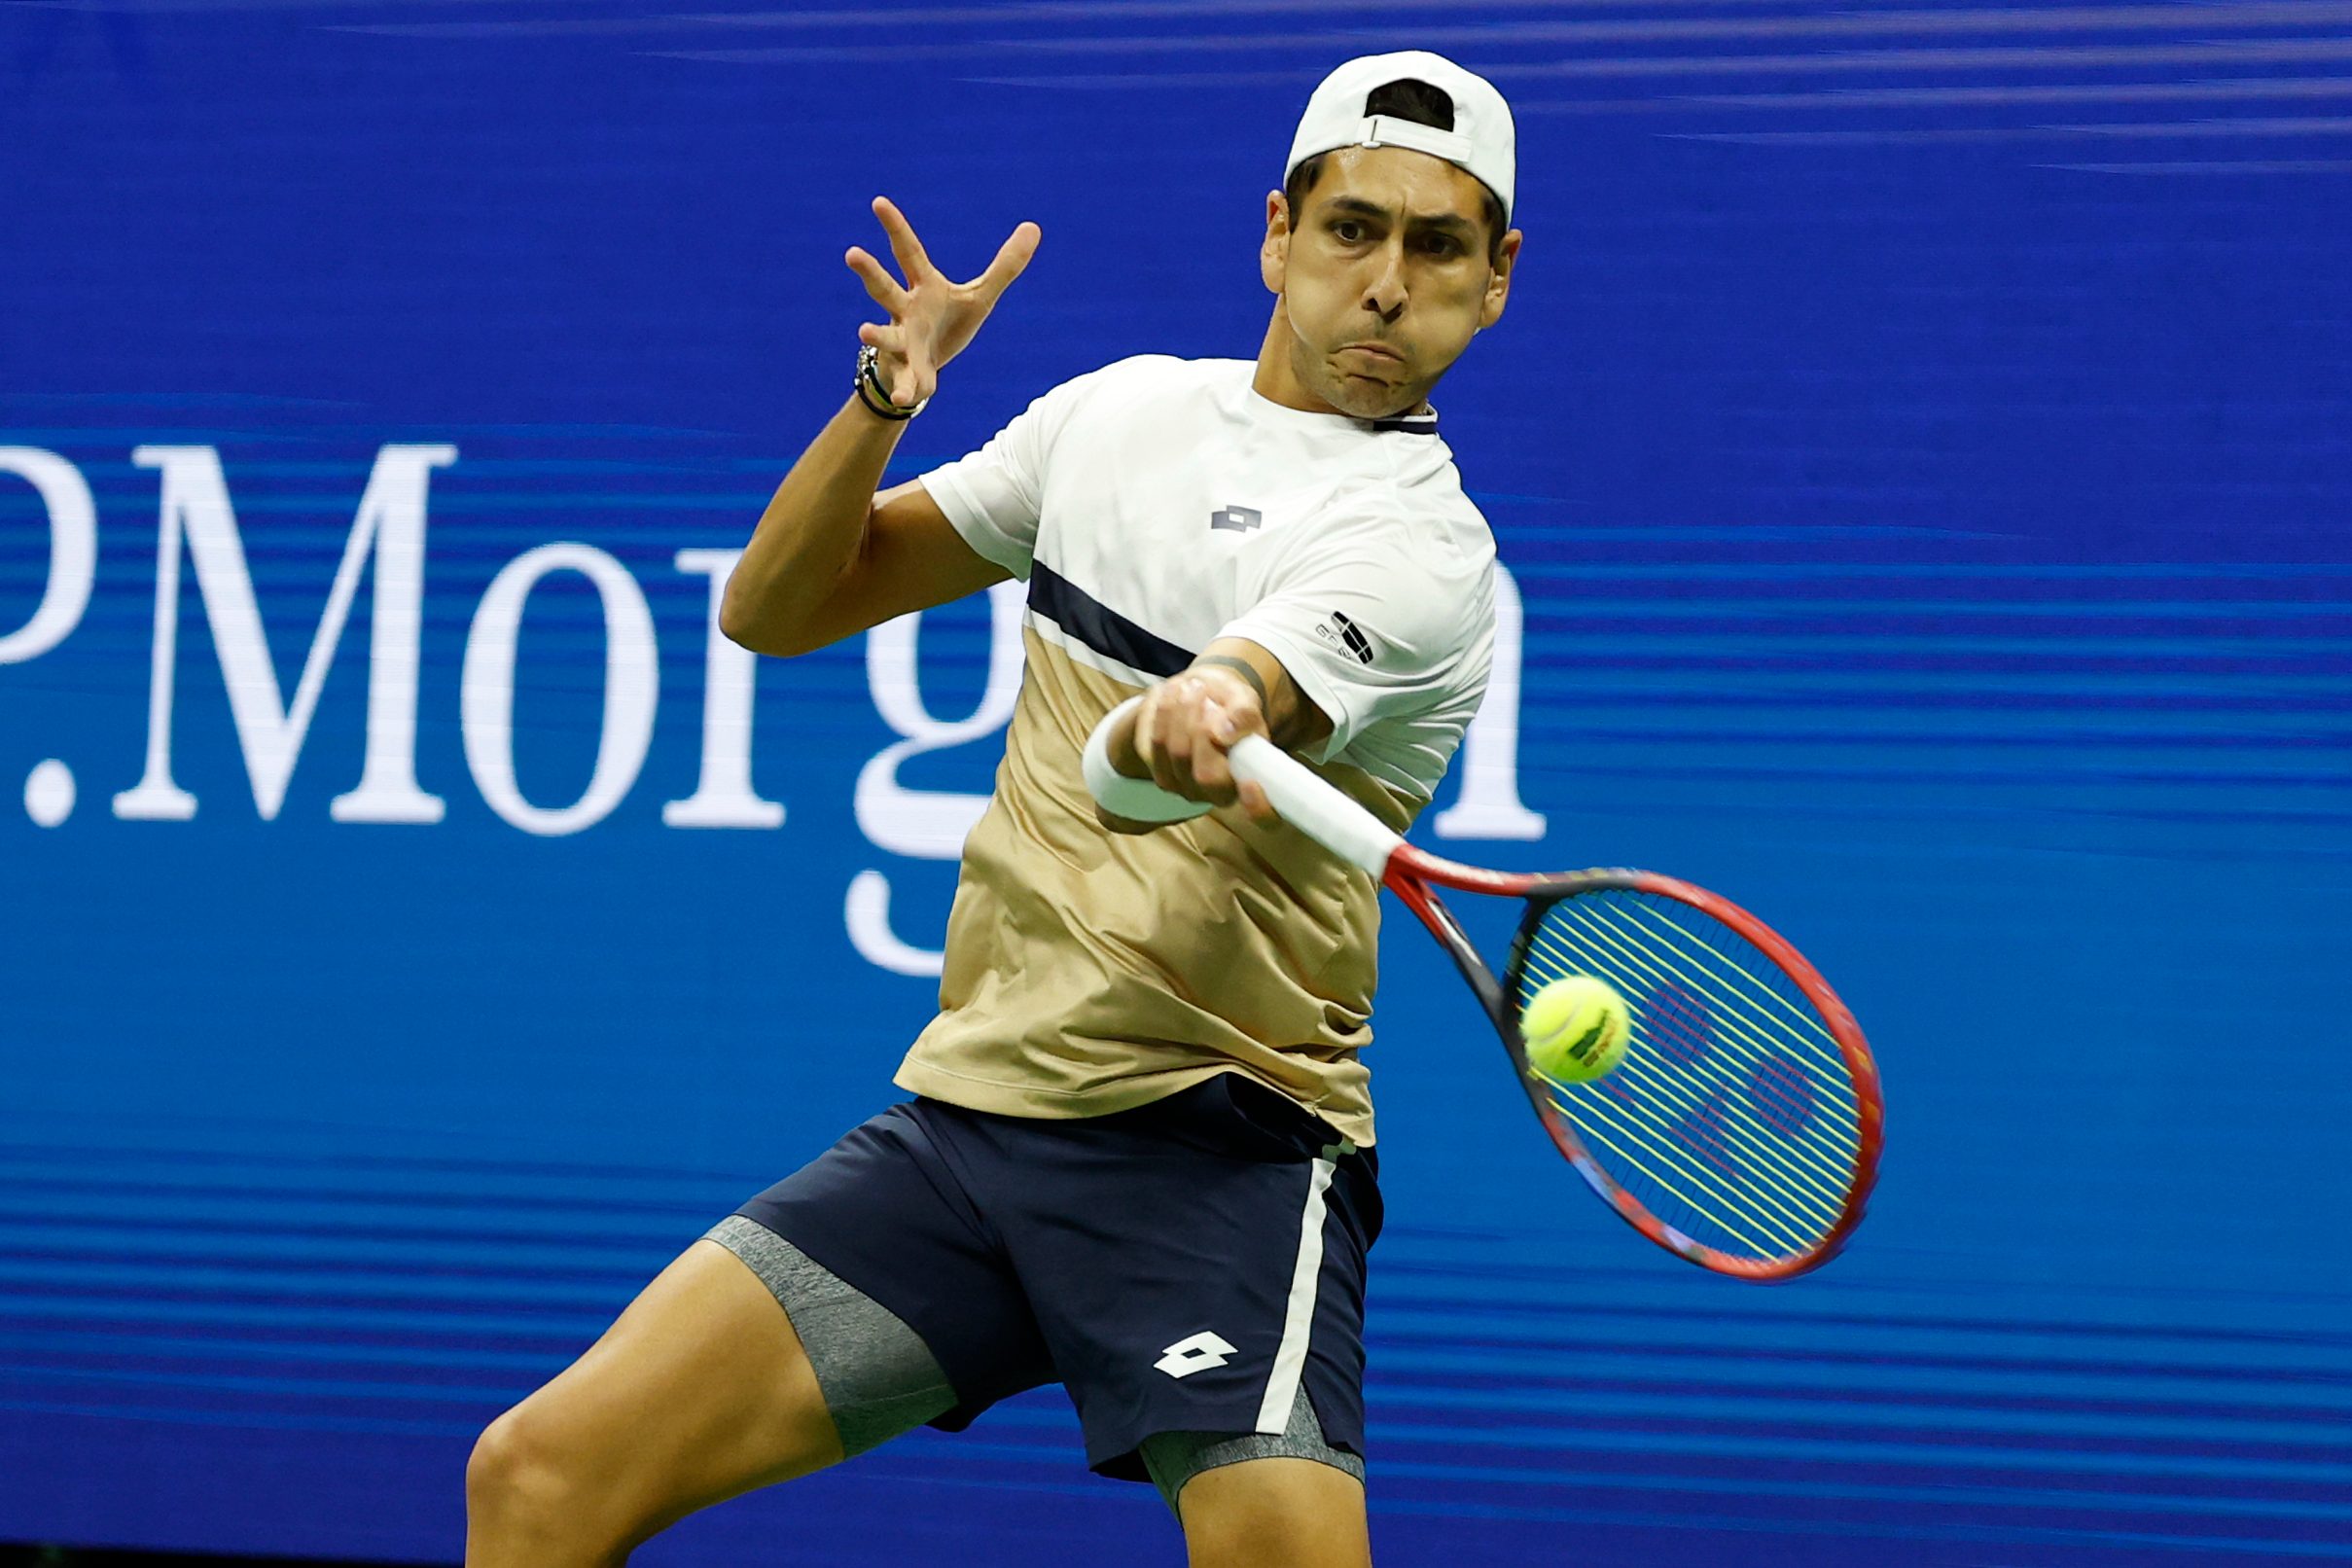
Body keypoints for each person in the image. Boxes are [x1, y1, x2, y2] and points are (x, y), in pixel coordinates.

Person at [463, 50, 1520, 1568]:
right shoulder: (1117, 419)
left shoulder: (1420, 545)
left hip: (1216, 1154)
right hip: (976, 1130)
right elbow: (775, 609)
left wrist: (1212, 703)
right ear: (1277, 231)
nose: (1385, 284)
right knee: (540, 1475)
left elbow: (1245, 685)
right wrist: (880, 403)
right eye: (1353, 229)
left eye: (1437, 247)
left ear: (1495, 282)